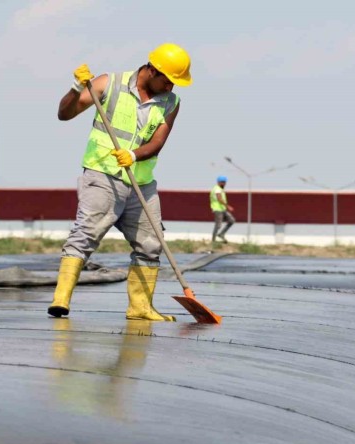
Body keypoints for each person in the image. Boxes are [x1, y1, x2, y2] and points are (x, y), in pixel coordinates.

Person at [47, 43, 192, 322]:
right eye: (168, 80)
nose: (171, 87)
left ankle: (140, 308)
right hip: (102, 175)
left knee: (151, 244)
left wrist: (134, 154)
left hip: (142, 183)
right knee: (86, 235)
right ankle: (61, 300)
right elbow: (64, 114)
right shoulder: (108, 84)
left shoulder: (171, 103)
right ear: (151, 70)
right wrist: (77, 88)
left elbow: (158, 142)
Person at [210, 175, 235, 243]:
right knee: (218, 225)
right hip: (217, 209)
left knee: (231, 220)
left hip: (222, 209)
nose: (224, 184)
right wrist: (228, 206)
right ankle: (213, 240)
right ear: (218, 182)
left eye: (224, 182)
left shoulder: (220, 189)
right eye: (222, 182)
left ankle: (221, 234)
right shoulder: (217, 189)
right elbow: (219, 198)